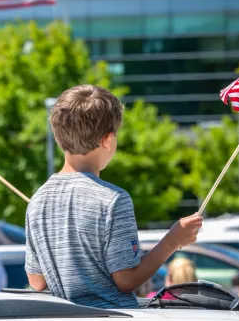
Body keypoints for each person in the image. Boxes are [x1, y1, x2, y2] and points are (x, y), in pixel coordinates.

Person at [25, 84, 203, 309]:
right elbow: (127, 281)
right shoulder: (113, 199)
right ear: (107, 140)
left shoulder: (37, 200)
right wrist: (173, 241)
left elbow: (36, 281)